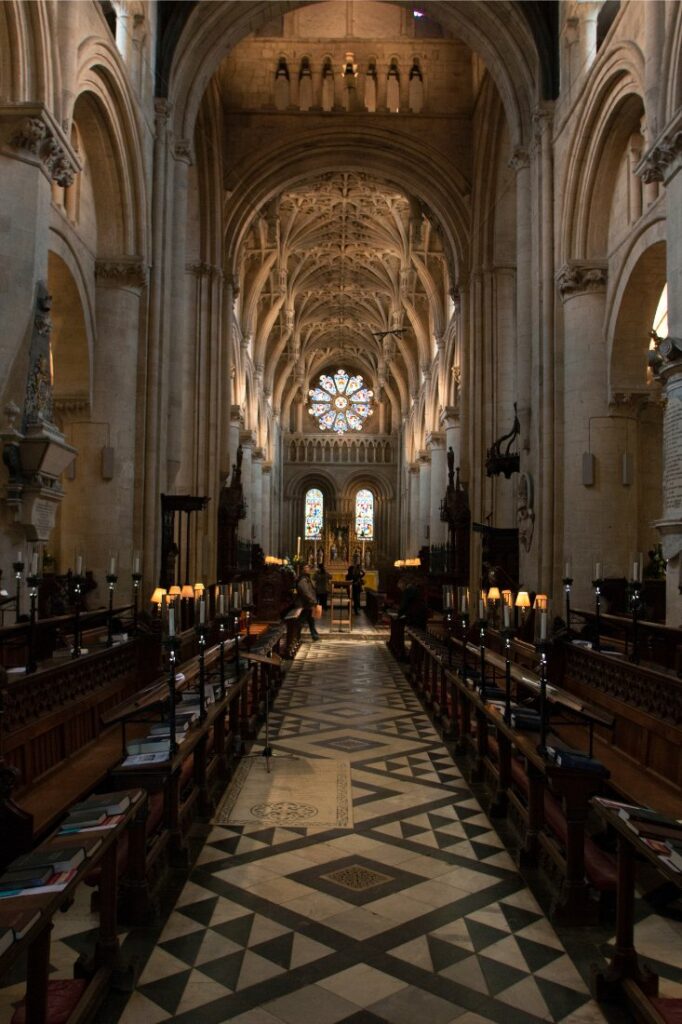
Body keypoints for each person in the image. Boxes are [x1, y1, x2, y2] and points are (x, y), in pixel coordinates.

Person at [296, 564, 321, 641]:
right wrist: (313, 600)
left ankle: (314, 635)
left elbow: (311, 590)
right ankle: (296, 636)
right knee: (301, 621)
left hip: (308, 604)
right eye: (306, 568)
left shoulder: (307, 578)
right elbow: (306, 592)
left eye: (308, 568)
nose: (308, 569)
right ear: (302, 570)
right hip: (305, 604)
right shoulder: (303, 580)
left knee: (311, 620)